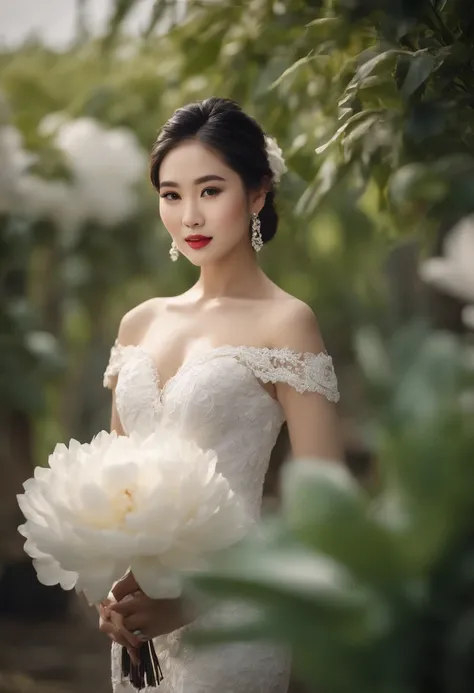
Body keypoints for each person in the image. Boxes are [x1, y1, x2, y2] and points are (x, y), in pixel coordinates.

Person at [99, 96, 342, 693]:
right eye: (171, 195)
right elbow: (110, 487)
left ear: (258, 193)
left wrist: (192, 602)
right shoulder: (139, 323)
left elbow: (325, 512)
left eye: (211, 191)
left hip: (233, 621)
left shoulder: (286, 323)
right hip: (137, 630)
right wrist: (105, 589)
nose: (190, 218)